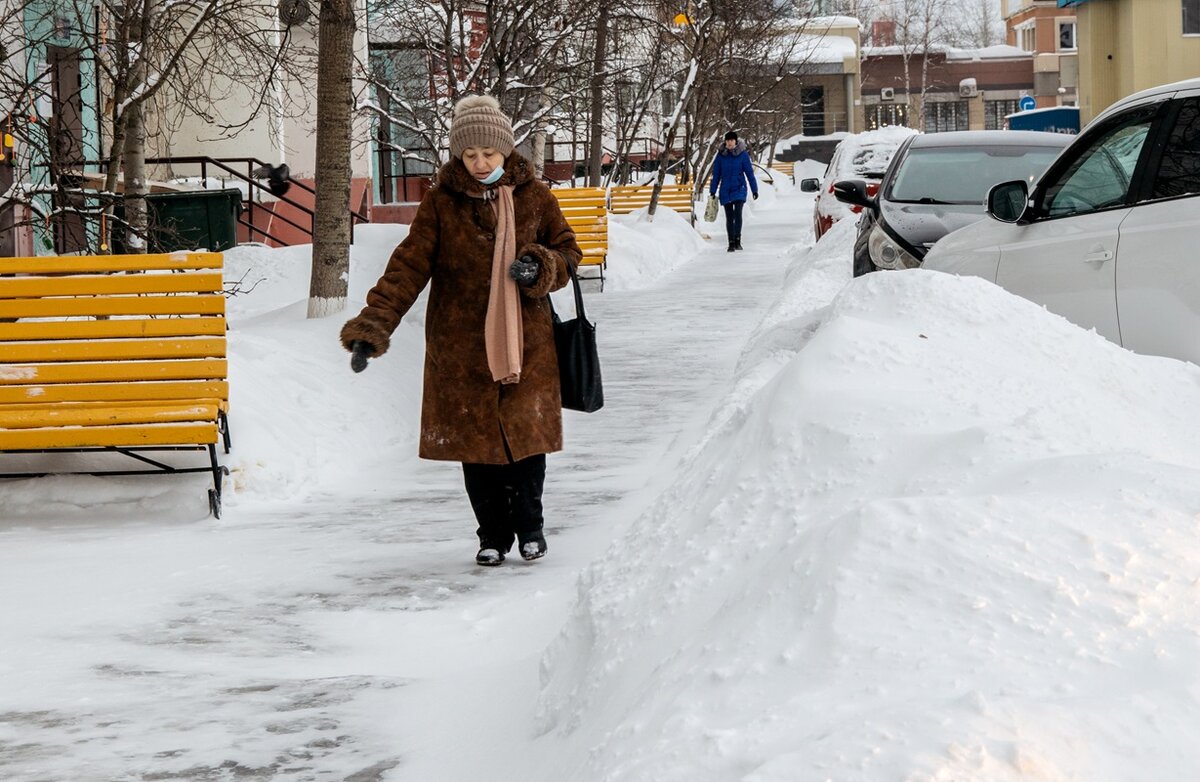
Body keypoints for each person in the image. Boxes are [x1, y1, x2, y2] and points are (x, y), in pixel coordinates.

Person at [339, 95, 582, 567]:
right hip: (461, 349)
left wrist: (541, 266)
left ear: (505, 150)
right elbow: (407, 268)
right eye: (469, 154)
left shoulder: (536, 197)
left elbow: (568, 252)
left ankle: (531, 527)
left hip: (526, 343)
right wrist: (374, 326)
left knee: (527, 443)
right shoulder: (441, 203)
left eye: (488, 153)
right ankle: (491, 535)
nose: (479, 162)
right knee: (478, 448)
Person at [709, 130, 759, 252]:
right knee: (729, 217)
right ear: (725, 142)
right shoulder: (721, 156)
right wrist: (713, 190)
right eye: (727, 140)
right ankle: (731, 242)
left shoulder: (743, 155)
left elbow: (749, 173)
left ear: (736, 141)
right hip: (725, 189)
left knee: (738, 214)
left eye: (732, 140)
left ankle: (737, 239)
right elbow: (716, 175)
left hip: (739, 188)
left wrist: (754, 189)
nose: (729, 142)